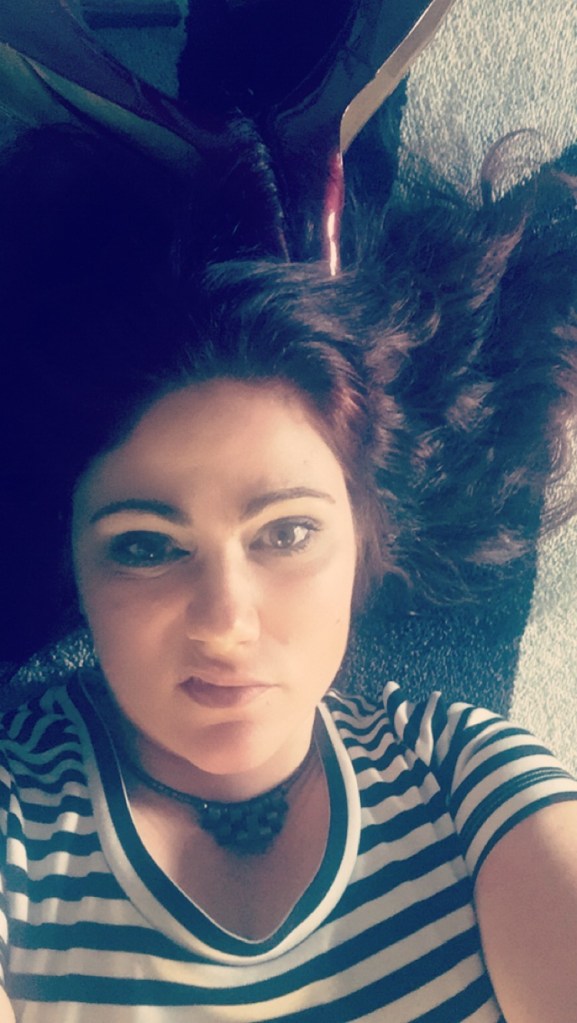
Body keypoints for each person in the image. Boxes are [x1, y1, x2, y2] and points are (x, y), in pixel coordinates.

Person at [1, 124, 577, 1022]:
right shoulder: (18, 816)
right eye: (145, 545)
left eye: (287, 532)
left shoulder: (466, 781)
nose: (224, 620)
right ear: (74, 566)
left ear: (365, 542)